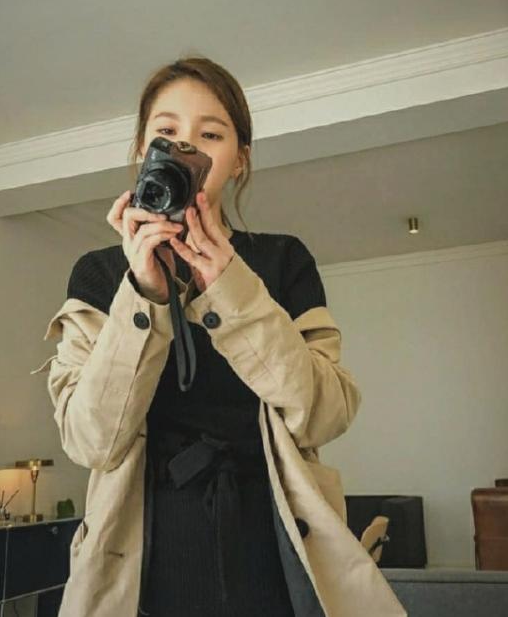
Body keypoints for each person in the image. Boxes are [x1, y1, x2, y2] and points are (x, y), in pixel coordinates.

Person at [32, 56, 407, 617]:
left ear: (239, 160)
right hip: (138, 564)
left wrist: (231, 286)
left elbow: (325, 415)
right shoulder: (99, 274)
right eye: (166, 132)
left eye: (210, 135)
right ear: (142, 149)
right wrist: (143, 293)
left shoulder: (282, 261)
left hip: (274, 549)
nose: (186, 150)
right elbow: (92, 443)